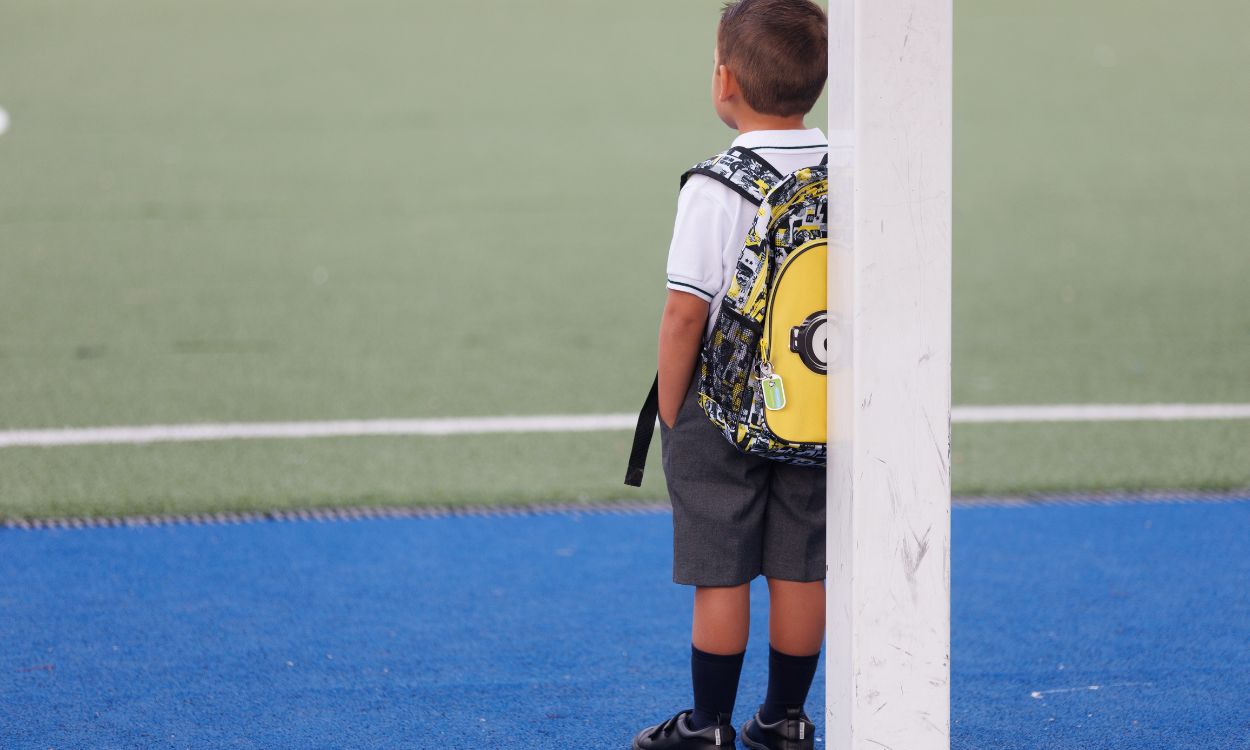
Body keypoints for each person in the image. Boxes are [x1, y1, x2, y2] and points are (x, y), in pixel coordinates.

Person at [631, 1, 828, 749]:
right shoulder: (844, 168)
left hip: (726, 409)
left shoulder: (717, 185)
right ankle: (785, 717)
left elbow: (685, 313)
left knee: (723, 571)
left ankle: (706, 725)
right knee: (800, 565)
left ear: (727, 79)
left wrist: (675, 412)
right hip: (813, 403)